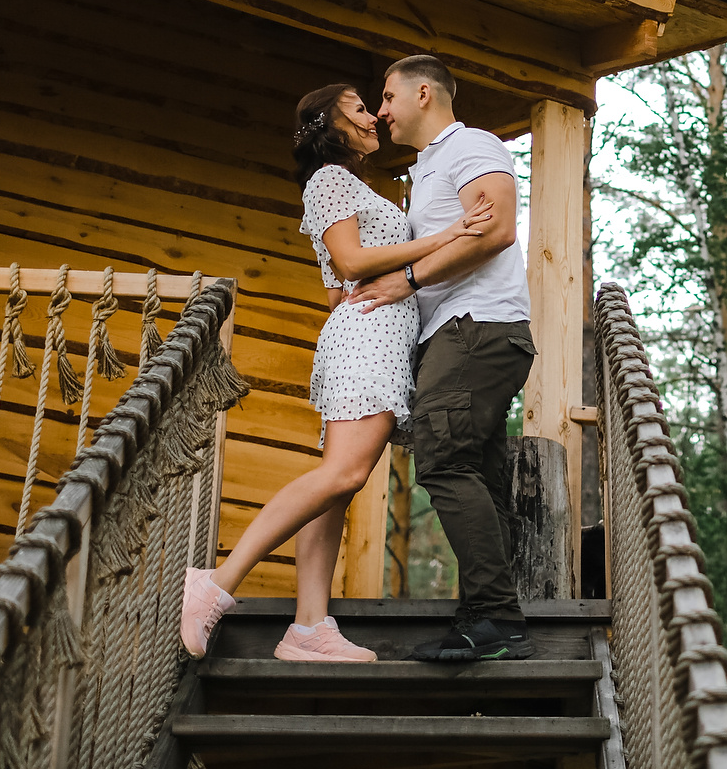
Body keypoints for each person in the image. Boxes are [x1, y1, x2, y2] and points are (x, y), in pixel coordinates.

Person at [178, 83, 496, 662]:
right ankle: (217, 583)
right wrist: (449, 234)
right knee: (344, 474)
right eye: (359, 109)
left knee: (336, 486)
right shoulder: (327, 179)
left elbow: (335, 290)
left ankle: (308, 628)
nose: (374, 117)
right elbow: (350, 263)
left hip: (371, 337)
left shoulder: (349, 187)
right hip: (367, 341)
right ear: (330, 124)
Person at [347, 53, 536, 663]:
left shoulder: (470, 145)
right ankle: (490, 617)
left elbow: (498, 228)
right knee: (475, 471)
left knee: (443, 458)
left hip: (477, 326)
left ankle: (495, 616)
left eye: (387, 97)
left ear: (423, 93)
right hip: (459, 332)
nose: (382, 111)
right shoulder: (427, 167)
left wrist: (408, 279)